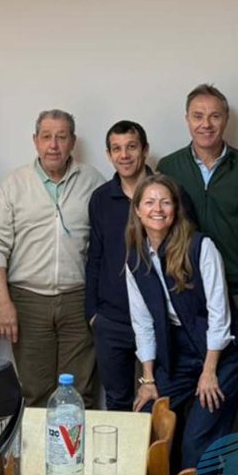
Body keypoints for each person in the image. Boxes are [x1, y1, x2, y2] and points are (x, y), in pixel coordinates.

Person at [157, 83, 238, 475]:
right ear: (187, 120)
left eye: (215, 116)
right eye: (198, 116)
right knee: (189, 392)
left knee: (235, 391)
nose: (206, 124)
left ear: (226, 120)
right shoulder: (169, 165)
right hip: (186, 297)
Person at [125, 174, 238, 475]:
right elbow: (143, 322)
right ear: (137, 211)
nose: (157, 209)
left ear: (176, 209)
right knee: (147, 425)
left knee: (198, 443)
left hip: (222, 353)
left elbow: (219, 314)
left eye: (165, 202)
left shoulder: (200, 246)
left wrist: (210, 371)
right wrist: (148, 379)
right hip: (176, 354)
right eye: (149, 202)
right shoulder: (134, 257)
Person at [0, 109, 105, 407]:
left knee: (79, 393)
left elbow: (107, 242)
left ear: (73, 142)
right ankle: (40, 454)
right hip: (27, 300)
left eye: (61, 137)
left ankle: (75, 454)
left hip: (78, 300)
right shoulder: (13, 184)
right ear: (35, 141)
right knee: (35, 392)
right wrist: (3, 302)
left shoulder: (92, 181)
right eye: (47, 137)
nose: (54, 145)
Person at [86, 120, 153, 411]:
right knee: (118, 402)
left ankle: (158, 458)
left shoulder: (165, 192)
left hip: (156, 318)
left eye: (131, 147)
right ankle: (124, 459)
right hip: (112, 320)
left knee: (160, 400)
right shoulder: (101, 198)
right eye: (117, 149)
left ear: (145, 150)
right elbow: (94, 258)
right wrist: (93, 314)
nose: (124, 155)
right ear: (109, 154)